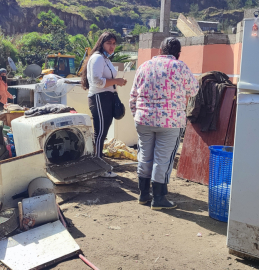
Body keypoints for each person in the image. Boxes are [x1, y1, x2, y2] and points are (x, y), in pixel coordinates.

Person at [130, 37, 199, 210]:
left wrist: (138, 115)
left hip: (143, 119)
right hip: (169, 122)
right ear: (178, 53)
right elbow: (193, 89)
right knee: (162, 160)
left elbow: (133, 95)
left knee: (144, 156)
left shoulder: (144, 66)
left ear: (160, 50)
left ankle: (143, 194)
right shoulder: (180, 66)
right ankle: (159, 198)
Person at [81, 32, 127, 178]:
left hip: (107, 98)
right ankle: (99, 168)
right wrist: (117, 81)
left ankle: (98, 166)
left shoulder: (105, 58)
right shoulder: (98, 58)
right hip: (99, 98)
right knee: (100, 133)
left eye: (114, 43)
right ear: (101, 43)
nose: (112, 46)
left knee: (102, 133)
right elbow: (97, 82)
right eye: (109, 43)